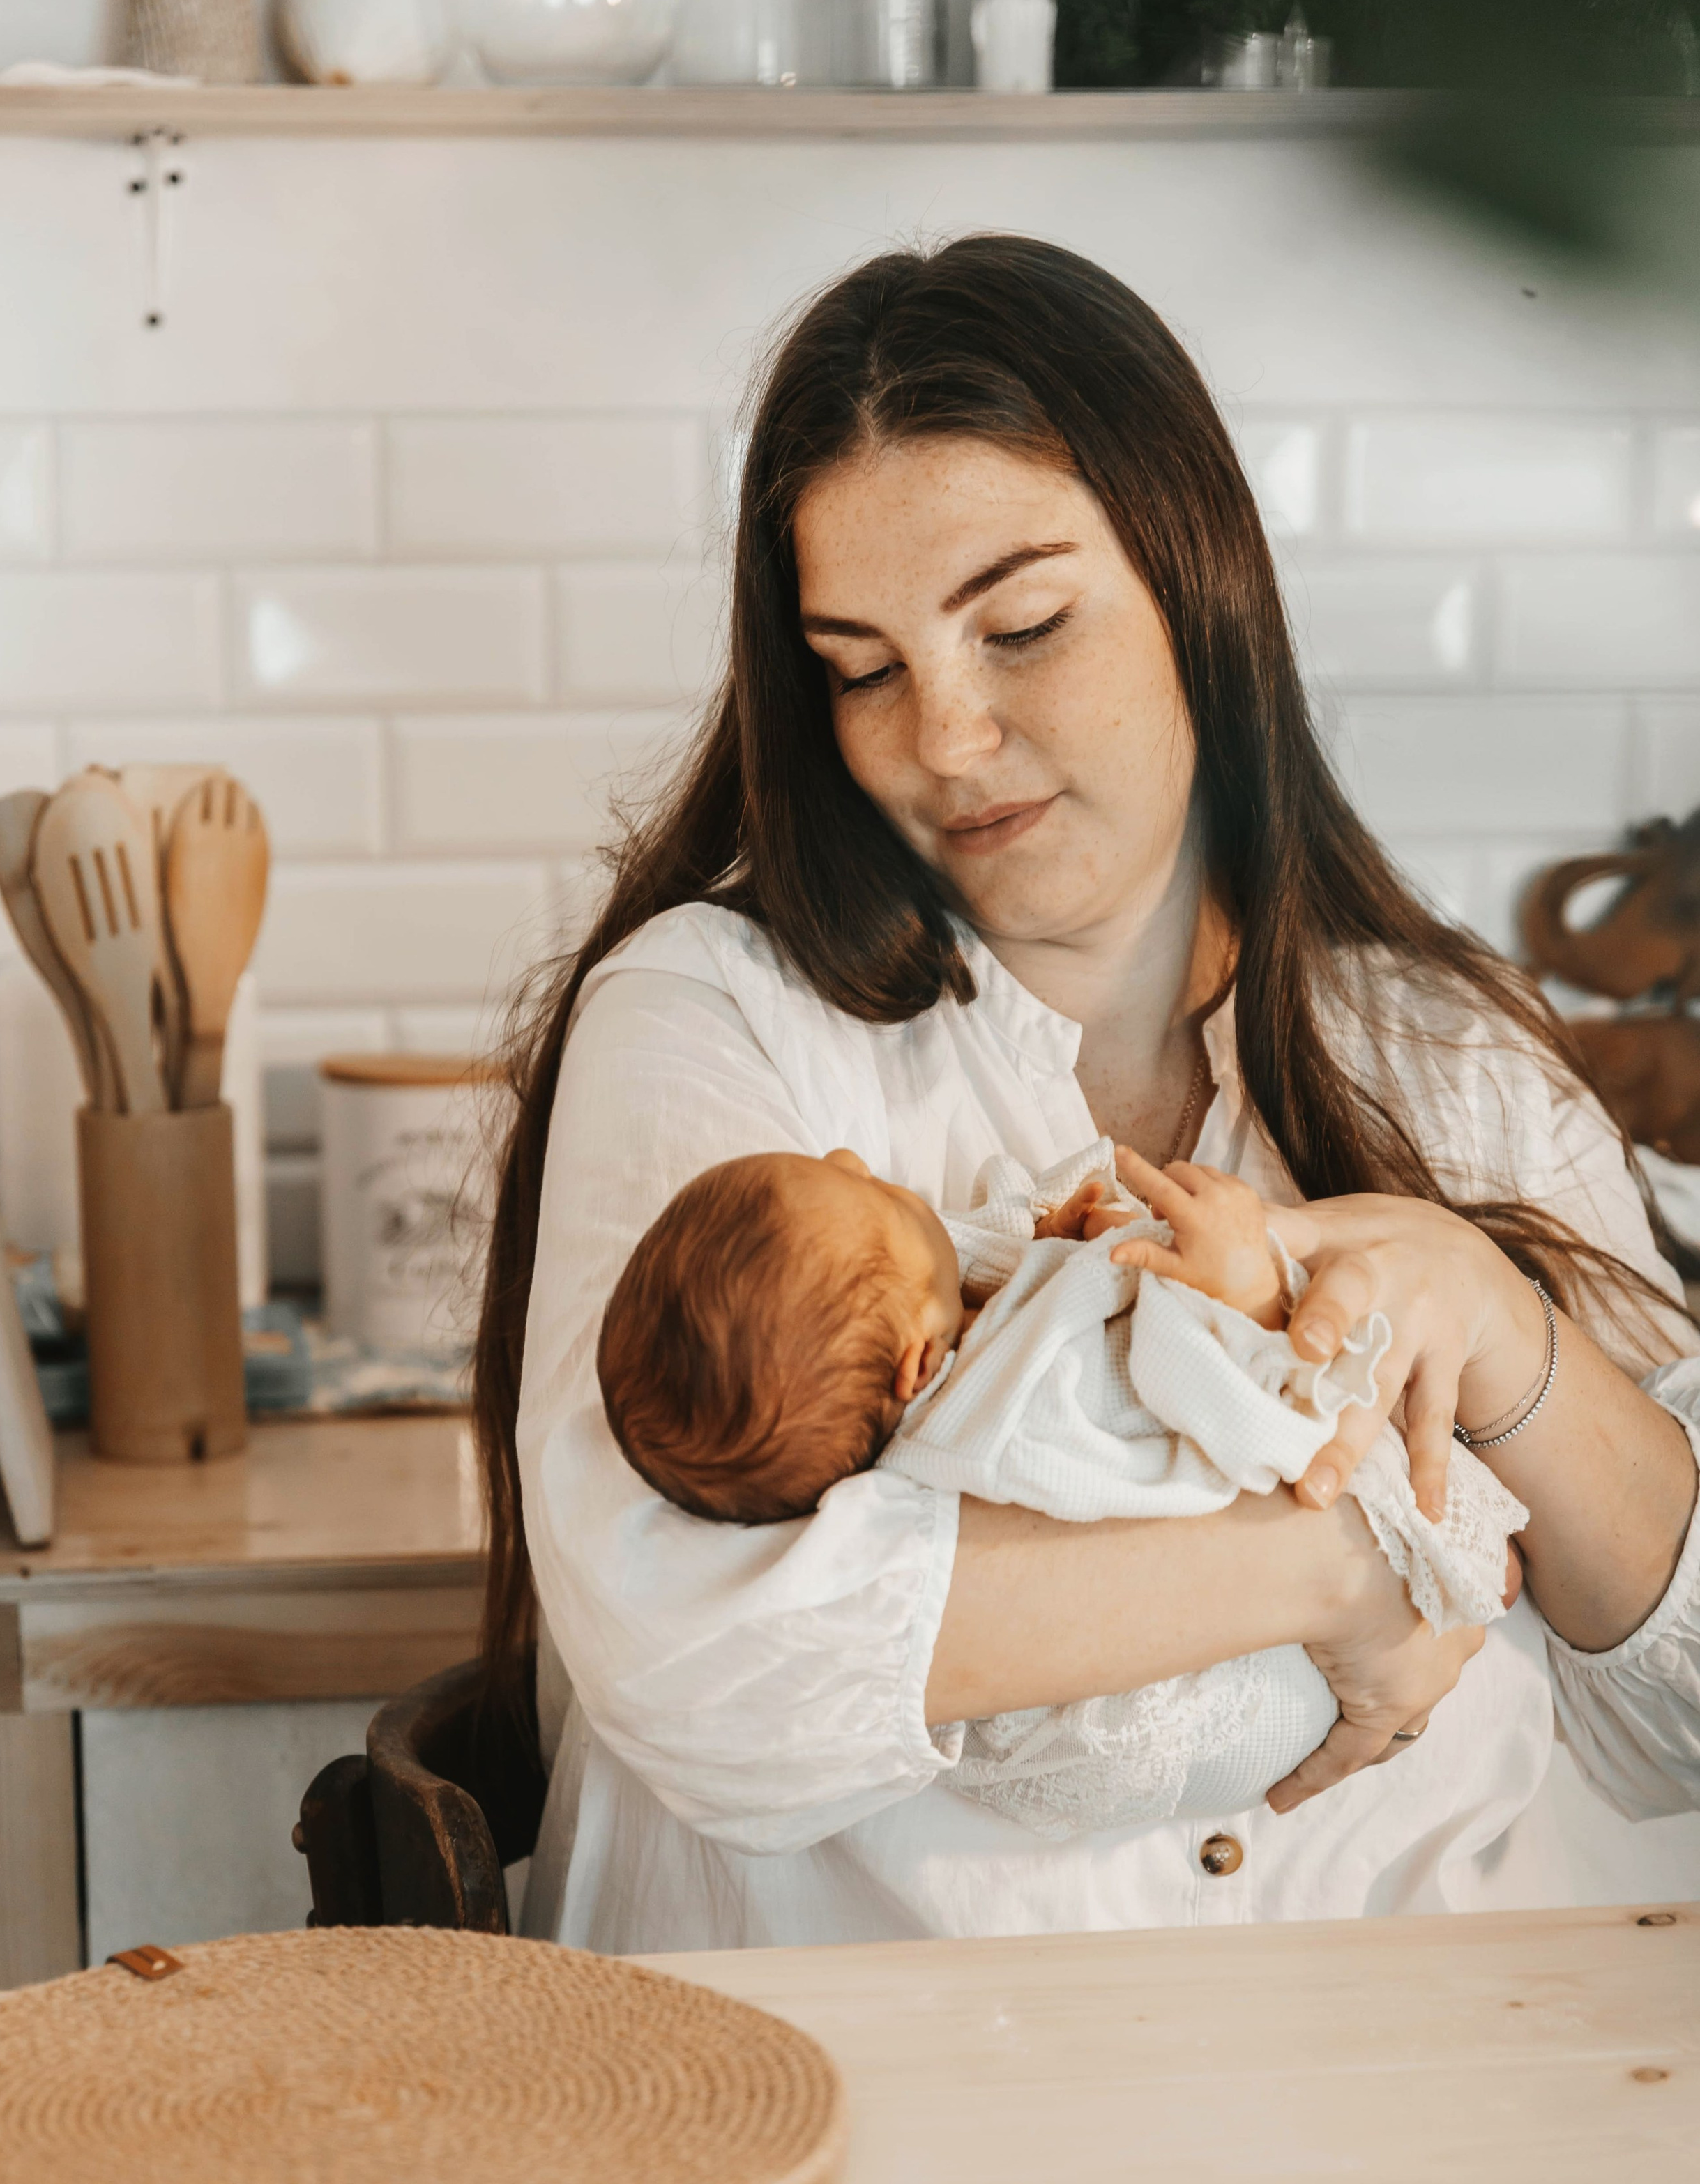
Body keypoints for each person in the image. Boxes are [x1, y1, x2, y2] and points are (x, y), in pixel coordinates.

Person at [473, 233, 1700, 1954]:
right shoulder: (714, 1019)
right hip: (872, 2084)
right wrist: (1342, 1572)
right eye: (860, 667)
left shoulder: (1446, 1054)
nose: (941, 738)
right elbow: (704, 1667)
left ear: (1198, 584)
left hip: (1443, 2058)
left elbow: (1675, 1725)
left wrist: (1496, 1325)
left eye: (1022, 627)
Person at [591, 1134, 1523, 1842]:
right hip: (1255, 1709)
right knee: (1388, 1474)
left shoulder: (928, 1399)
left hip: (1107, 1751)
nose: (850, 1156)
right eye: (882, 1196)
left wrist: (1046, 1234)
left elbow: (977, 1273)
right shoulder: (1021, 1407)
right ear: (918, 1363)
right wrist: (1243, 1297)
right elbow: (1234, 1427)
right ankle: (1464, 1549)